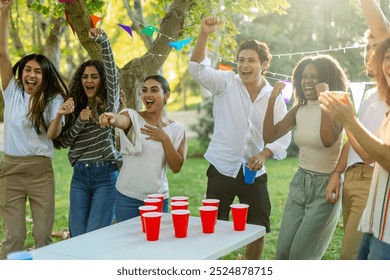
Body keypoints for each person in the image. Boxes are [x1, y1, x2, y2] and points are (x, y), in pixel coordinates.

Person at [188, 16, 291, 260]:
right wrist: (204, 34)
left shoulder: (274, 95)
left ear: (264, 64)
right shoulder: (225, 82)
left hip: (253, 172)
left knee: (257, 227)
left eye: (251, 61)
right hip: (221, 167)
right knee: (212, 226)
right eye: (241, 60)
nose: (245, 65)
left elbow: (283, 133)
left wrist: (265, 154)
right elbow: (196, 69)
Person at [0, 0, 73, 259]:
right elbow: (3, 54)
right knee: (14, 237)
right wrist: (4, 13)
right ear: (22, 74)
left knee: (43, 236)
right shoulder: (12, 92)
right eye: (28, 70)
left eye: (38, 72)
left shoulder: (53, 100)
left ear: (45, 76)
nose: (31, 74)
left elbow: (52, 135)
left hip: (41, 171)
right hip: (11, 169)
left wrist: (59, 116)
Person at [264, 54, 348, 260]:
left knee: (301, 257)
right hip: (300, 183)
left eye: (315, 76)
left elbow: (328, 140)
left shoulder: (338, 107)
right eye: (304, 76)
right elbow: (269, 135)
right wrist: (272, 99)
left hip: (325, 187)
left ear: (328, 80)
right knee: (282, 254)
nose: (308, 81)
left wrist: (325, 99)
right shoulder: (299, 109)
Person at [320, 37, 390, 260]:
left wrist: (346, 120)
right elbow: (351, 142)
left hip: (370, 179)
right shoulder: (370, 95)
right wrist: (337, 173)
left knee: (349, 257)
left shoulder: (388, 98)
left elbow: (370, 155)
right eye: (366, 47)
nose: (369, 52)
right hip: (351, 178)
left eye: (375, 47)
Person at [57, 27, 121, 237]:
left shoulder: (109, 104)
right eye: (85, 77)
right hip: (80, 177)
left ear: (101, 80)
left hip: (105, 176)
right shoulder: (74, 106)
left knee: (95, 236)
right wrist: (79, 122)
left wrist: (104, 41)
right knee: (77, 236)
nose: (89, 81)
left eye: (94, 76)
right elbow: (63, 141)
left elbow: (113, 74)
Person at [99, 74, 187, 222]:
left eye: (154, 90)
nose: (148, 94)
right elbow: (121, 120)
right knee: (128, 244)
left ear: (166, 96)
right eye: (144, 90)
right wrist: (113, 119)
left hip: (158, 199)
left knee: (155, 244)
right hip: (128, 199)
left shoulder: (177, 129)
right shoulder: (132, 116)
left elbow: (176, 167)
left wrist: (164, 138)